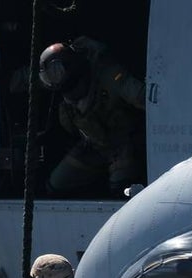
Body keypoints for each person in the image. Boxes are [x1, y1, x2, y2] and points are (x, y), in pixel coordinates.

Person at [38, 37, 146, 197]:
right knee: (55, 185)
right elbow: (29, 78)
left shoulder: (109, 77)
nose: (53, 77)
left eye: (56, 71)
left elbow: (143, 98)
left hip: (124, 146)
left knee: (121, 189)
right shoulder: (68, 101)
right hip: (94, 148)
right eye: (49, 76)